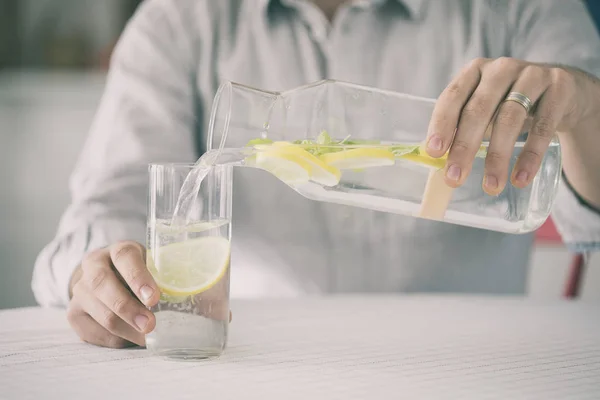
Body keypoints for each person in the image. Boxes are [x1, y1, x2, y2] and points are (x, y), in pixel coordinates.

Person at [32, 0, 600, 348]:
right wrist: (101, 273)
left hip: (480, 369)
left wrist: (585, 108)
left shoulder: (522, 7)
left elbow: (589, 220)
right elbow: (107, 207)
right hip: (264, 369)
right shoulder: (179, 21)